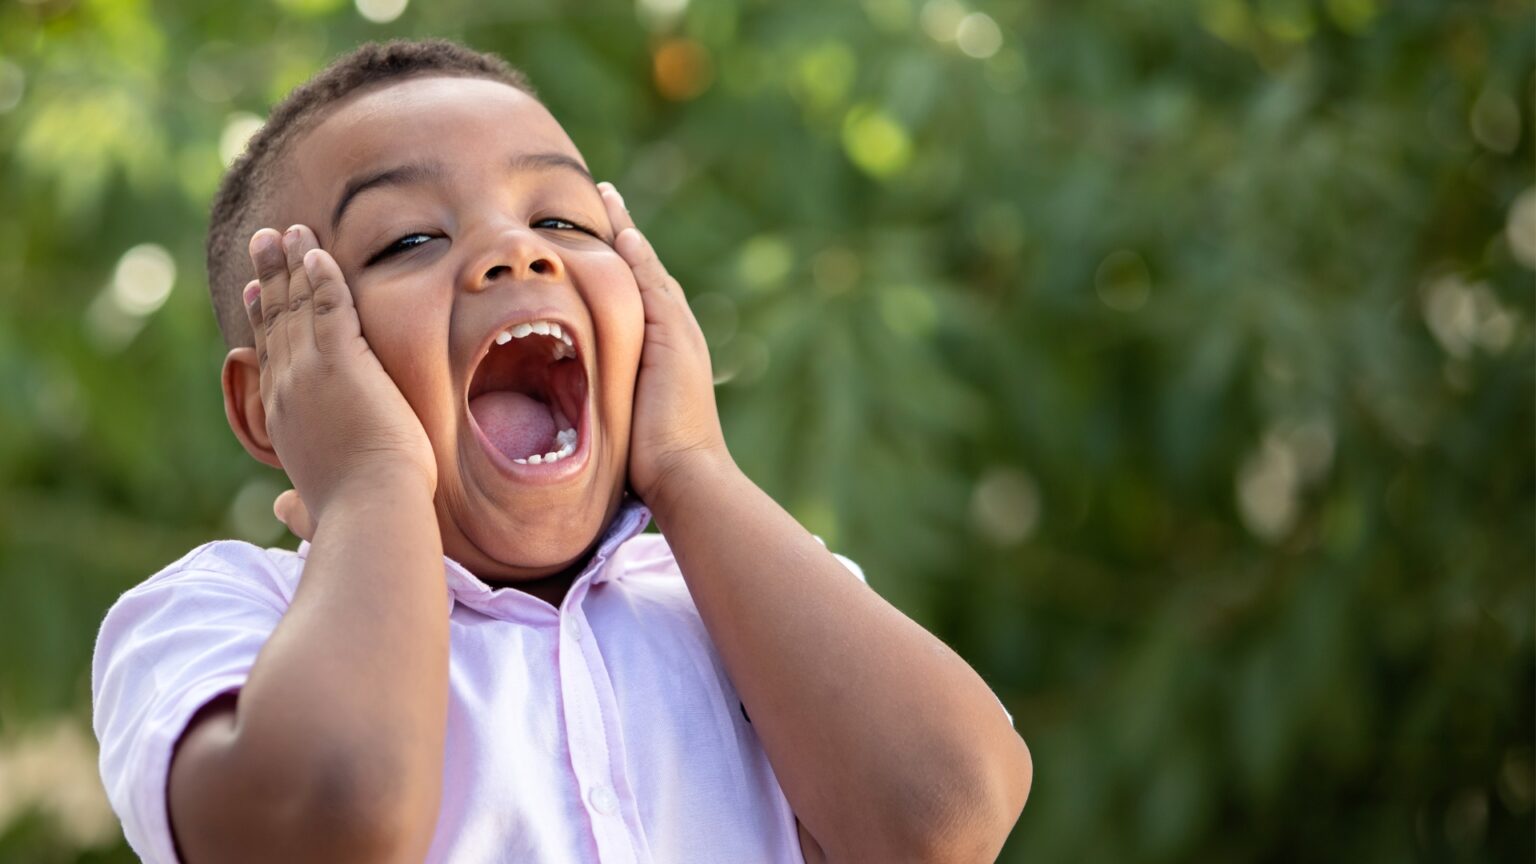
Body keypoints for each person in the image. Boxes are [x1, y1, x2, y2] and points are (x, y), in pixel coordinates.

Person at [90, 38, 1031, 864]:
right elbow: (334, 818)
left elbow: (943, 821)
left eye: (564, 222)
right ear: (272, 400)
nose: (516, 251)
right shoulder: (221, 617)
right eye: (409, 239)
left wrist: (691, 462)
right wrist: (371, 484)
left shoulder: (742, 597)